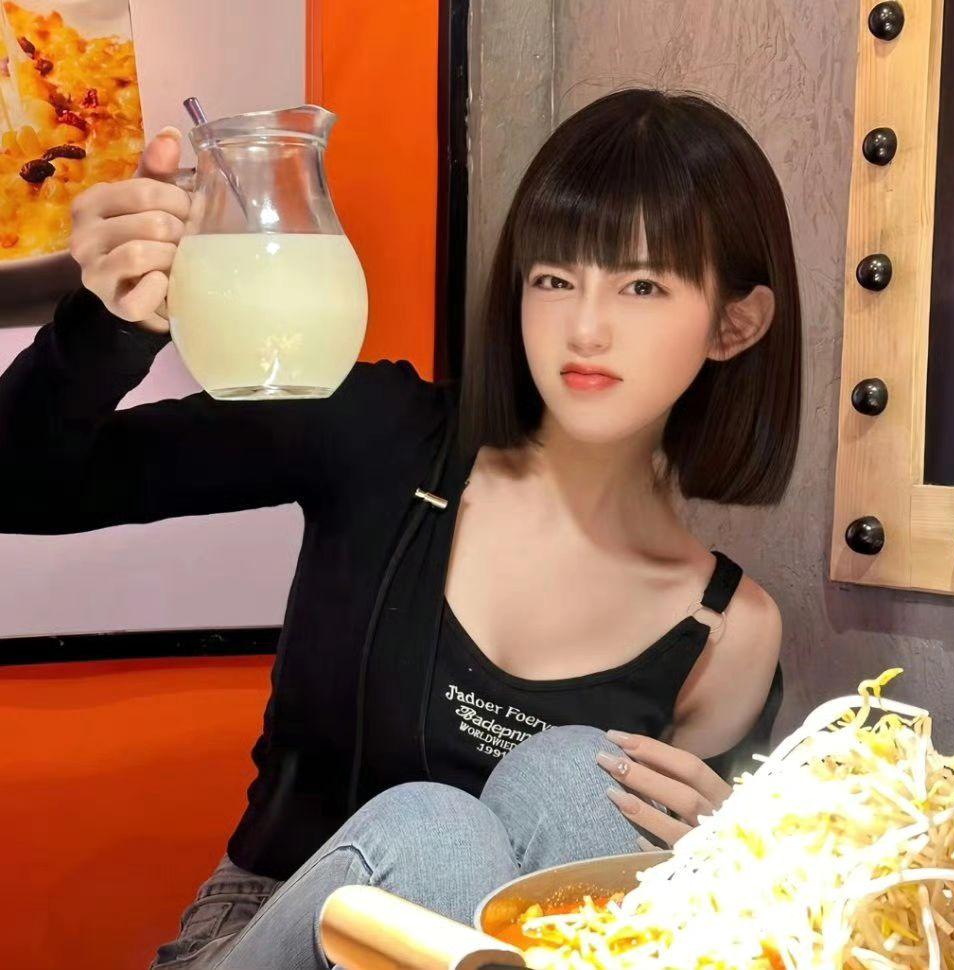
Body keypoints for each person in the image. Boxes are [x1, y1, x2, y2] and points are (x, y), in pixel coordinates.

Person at [0, 86, 800, 969]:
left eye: (641, 285)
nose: (584, 327)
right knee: (432, 837)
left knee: (585, 779)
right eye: (553, 278)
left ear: (734, 324)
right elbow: (19, 487)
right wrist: (106, 325)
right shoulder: (383, 434)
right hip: (264, 926)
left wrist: (727, 876)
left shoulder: (732, 633)